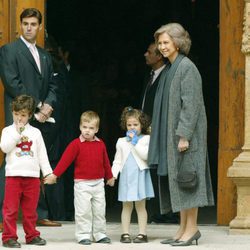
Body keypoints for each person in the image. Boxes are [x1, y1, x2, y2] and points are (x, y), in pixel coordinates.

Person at [148, 23, 214, 246]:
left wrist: (184, 135)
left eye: (166, 42)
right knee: (180, 181)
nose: (162, 46)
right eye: (160, 43)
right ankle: (183, 228)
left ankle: (192, 228)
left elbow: (191, 105)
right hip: (174, 137)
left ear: (177, 42)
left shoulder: (187, 68)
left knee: (188, 181)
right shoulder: (170, 67)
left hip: (186, 137)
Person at [0, 8, 61, 227]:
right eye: (25, 23)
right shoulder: (9, 50)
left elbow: (54, 84)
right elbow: (12, 82)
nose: (29, 27)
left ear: (39, 26)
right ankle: (2, 216)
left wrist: (48, 106)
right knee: (13, 160)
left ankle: (39, 214)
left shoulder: (44, 54)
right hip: (21, 114)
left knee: (35, 159)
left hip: (42, 114)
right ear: (19, 25)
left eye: (33, 24)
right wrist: (37, 106)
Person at [44, 111, 115, 245]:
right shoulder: (76, 144)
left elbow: (105, 161)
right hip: (82, 184)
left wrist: (109, 176)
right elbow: (65, 160)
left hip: (99, 183)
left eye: (91, 128)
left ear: (97, 129)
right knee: (83, 211)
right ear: (80, 127)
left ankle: (100, 234)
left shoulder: (101, 144)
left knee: (99, 210)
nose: (87, 131)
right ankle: (83, 235)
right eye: (85, 127)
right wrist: (55, 175)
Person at [0, 95, 53, 247]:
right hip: (13, 177)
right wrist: (18, 132)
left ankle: (32, 235)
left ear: (30, 115)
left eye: (23, 115)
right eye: (16, 114)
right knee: (10, 209)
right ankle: (9, 237)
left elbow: (42, 155)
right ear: (12, 113)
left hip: (32, 177)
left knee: (30, 210)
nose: (19, 118)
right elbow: (5, 147)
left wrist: (48, 172)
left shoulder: (36, 133)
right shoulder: (8, 131)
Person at [112, 107, 154, 244]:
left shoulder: (146, 139)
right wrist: (113, 175)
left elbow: (146, 156)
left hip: (140, 176)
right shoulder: (121, 141)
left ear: (142, 125)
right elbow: (117, 160)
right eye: (129, 125)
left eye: (135, 125)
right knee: (127, 206)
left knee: (141, 206)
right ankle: (125, 233)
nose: (132, 127)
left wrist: (135, 142)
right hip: (126, 178)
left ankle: (143, 233)